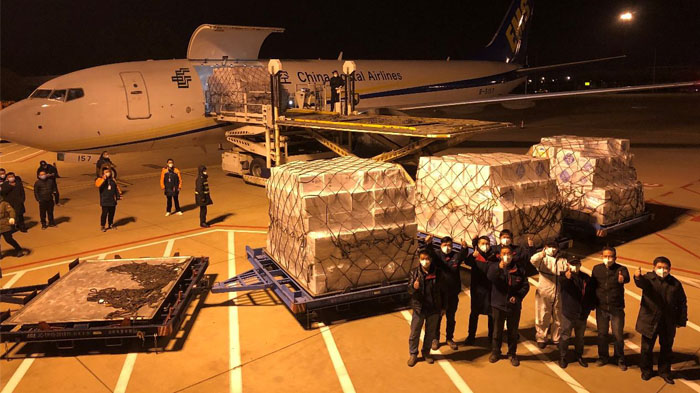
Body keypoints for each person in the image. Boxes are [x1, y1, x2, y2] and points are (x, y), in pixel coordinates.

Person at [634, 257, 687, 384]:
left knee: (667, 349)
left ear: (669, 269)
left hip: (667, 322)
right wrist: (637, 277)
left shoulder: (675, 284)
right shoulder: (648, 279)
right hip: (649, 321)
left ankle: (664, 371)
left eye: (665, 268)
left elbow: (682, 302)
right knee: (646, 349)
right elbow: (641, 283)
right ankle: (646, 371)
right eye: (659, 267)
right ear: (654, 268)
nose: (662, 270)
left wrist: (681, 320)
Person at [423, 234, 468, 350]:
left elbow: (463, 255)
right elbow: (429, 253)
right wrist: (428, 243)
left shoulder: (455, 256)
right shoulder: (437, 256)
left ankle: (449, 338)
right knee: (437, 317)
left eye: (449, 245)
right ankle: (435, 338)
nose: (447, 247)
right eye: (444, 245)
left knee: (451, 317)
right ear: (441, 245)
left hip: (452, 293)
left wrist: (464, 247)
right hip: (439, 293)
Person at [487, 245, 529, 367]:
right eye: (504, 253)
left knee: (512, 331)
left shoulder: (519, 269)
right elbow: (490, 277)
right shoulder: (494, 267)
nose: (506, 256)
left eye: (508, 253)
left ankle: (512, 353)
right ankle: (495, 352)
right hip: (498, 305)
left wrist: (517, 297)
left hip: (513, 306)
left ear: (513, 255)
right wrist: (499, 269)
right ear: (499, 255)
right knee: (497, 331)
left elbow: (525, 286)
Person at [590, 246, 630, 370]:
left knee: (618, 335)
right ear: (602, 256)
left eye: (611, 256)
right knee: (602, 334)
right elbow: (593, 286)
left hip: (616, 308)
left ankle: (620, 358)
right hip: (601, 308)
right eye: (605, 256)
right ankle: (603, 356)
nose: (608, 259)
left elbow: (626, 278)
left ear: (615, 257)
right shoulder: (597, 269)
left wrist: (622, 279)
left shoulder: (621, 269)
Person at [407, 250, 445, 367]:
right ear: (419, 259)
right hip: (420, 308)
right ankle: (413, 353)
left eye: (427, 258)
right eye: (422, 258)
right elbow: (409, 291)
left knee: (430, 332)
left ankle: (426, 352)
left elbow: (443, 291)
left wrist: (443, 307)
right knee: (415, 332)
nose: (425, 261)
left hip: (433, 307)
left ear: (431, 259)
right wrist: (414, 287)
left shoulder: (438, 273)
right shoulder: (414, 273)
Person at [530, 241, 569, 348]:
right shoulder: (542, 258)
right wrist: (541, 254)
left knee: (558, 316)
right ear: (545, 247)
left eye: (554, 247)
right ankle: (541, 337)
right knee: (542, 315)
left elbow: (568, 269)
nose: (553, 249)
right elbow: (532, 260)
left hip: (558, 291)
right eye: (550, 246)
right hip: (544, 291)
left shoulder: (562, 259)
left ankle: (556, 337)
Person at [558, 258, 594, 368]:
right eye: (573, 264)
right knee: (565, 336)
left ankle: (579, 355)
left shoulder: (586, 278)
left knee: (580, 337)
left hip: (582, 313)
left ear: (580, 264)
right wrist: (567, 279)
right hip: (569, 313)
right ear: (568, 265)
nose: (575, 266)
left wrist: (589, 308)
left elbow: (590, 293)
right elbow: (563, 287)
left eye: (577, 264)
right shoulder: (563, 277)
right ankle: (562, 356)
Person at [464, 235, 497, 345]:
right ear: (478, 245)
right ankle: (471, 336)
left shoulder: (493, 256)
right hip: (478, 291)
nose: (485, 246)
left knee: (491, 315)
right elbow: (467, 262)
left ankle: (491, 336)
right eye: (482, 243)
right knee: (474, 314)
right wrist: (472, 256)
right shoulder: (475, 256)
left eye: (487, 243)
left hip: (491, 290)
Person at [95, 167, 122, 231]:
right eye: (106, 172)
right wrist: (103, 179)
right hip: (105, 200)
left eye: (108, 172)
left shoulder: (112, 180)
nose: (108, 173)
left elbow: (116, 188)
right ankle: (103, 226)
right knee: (104, 214)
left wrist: (119, 195)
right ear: (103, 173)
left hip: (112, 200)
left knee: (111, 213)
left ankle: (110, 224)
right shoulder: (99, 179)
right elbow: (97, 185)